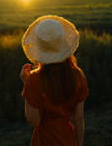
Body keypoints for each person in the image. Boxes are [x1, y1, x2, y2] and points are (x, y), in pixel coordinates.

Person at [19, 15, 89, 146]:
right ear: (63, 43)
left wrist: (26, 85)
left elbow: (34, 121)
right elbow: (79, 118)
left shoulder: (33, 80)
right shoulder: (78, 76)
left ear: (40, 47)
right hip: (67, 139)